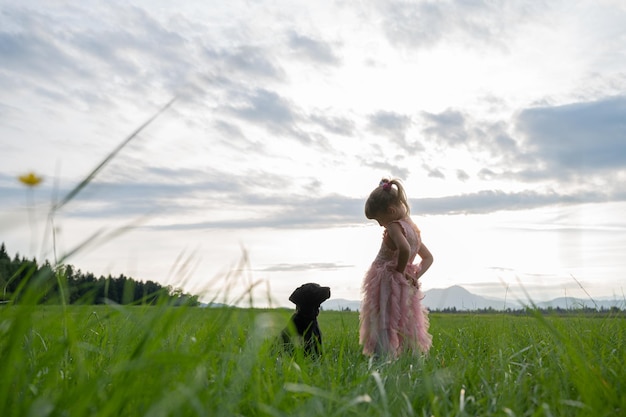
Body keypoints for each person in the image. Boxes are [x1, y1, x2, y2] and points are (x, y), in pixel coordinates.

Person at [359, 178, 434, 358]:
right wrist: (414, 275)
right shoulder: (412, 229)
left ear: (390, 211)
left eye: (379, 220)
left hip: (385, 279)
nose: (380, 225)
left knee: (383, 319)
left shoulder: (394, 226)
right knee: (406, 319)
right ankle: (409, 357)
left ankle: (382, 358)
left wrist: (399, 272)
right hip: (403, 281)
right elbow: (428, 258)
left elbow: (405, 249)